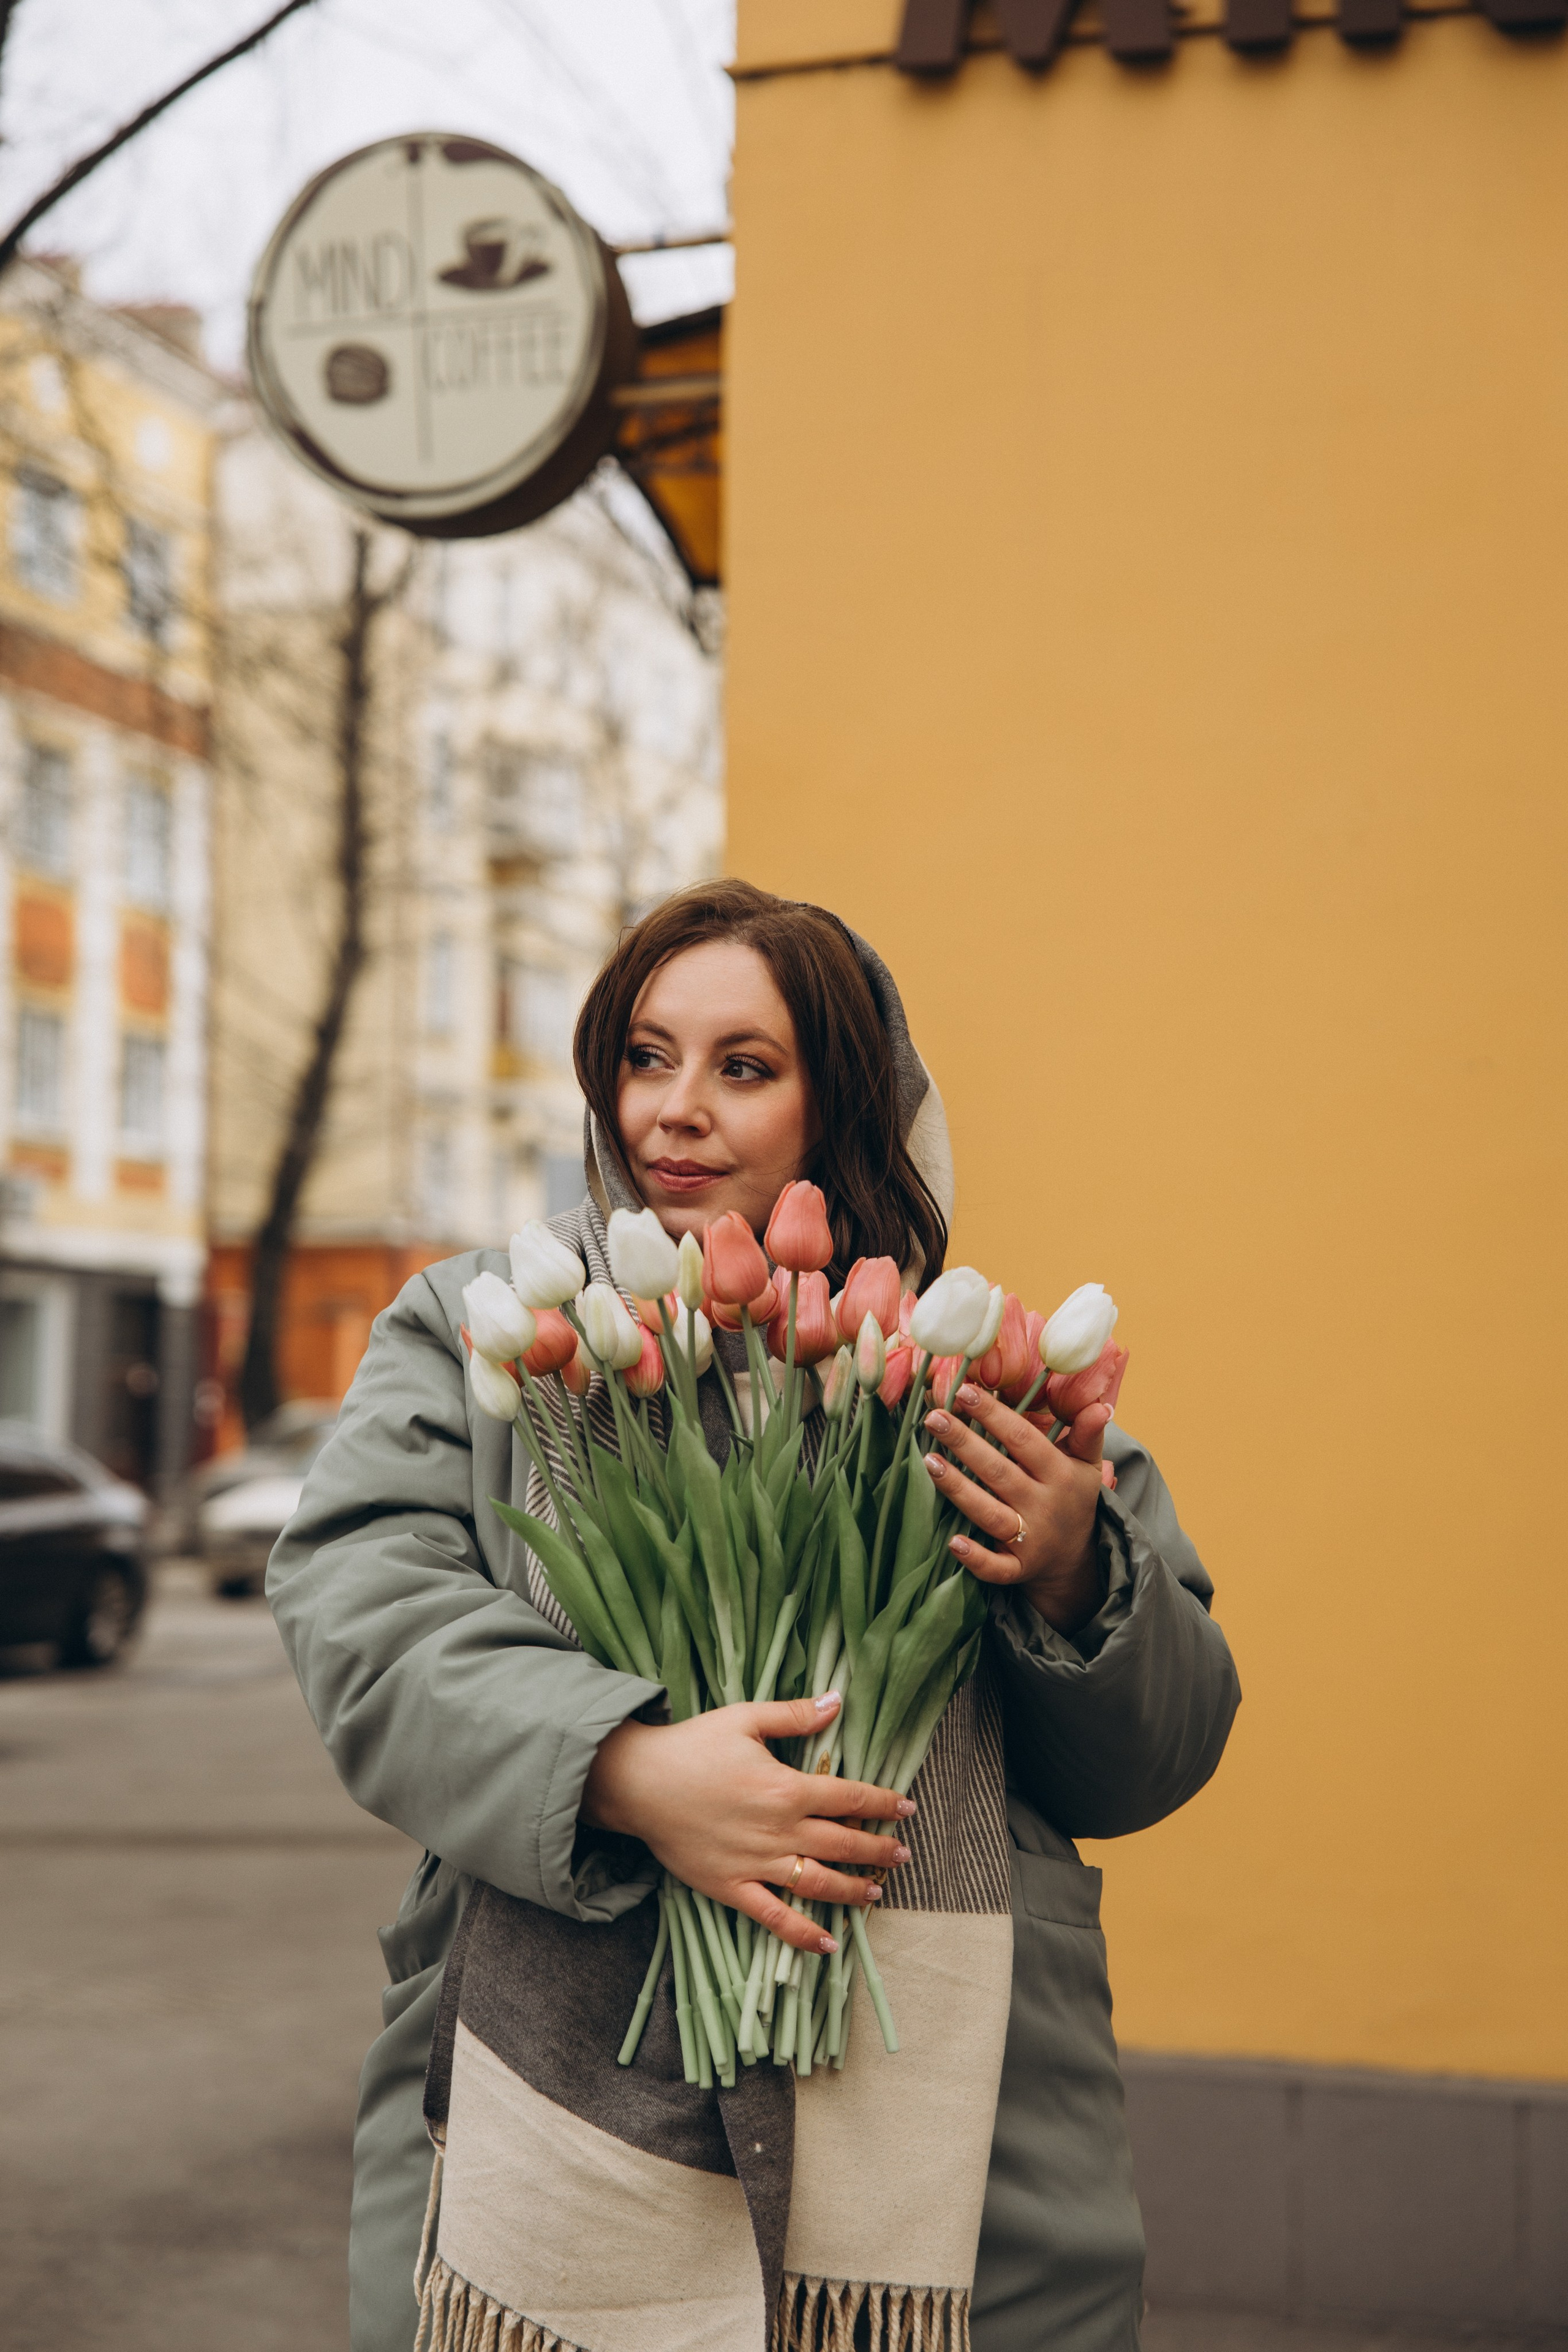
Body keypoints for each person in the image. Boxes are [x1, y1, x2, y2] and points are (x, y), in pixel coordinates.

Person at [268, 880, 1240, 2352]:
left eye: (742, 1067)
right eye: (645, 1058)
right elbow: (362, 1606)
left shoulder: (960, 1370)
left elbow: (1153, 1756)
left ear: (837, 1100)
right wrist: (622, 1770)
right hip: (547, 2103)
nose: (674, 1110)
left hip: (950, 2138)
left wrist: (1071, 1568)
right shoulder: (492, 1330)